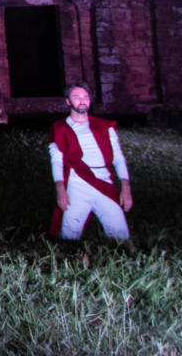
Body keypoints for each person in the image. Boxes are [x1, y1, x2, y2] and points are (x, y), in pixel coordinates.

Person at [48, 82, 134, 243]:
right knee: (69, 235)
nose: (82, 100)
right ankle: (69, 264)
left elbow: (118, 158)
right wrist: (60, 190)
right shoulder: (59, 128)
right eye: (76, 97)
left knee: (120, 237)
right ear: (68, 101)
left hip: (104, 182)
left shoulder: (104, 126)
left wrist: (126, 187)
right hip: (77, 183)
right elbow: (56, 161)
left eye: (85, 96)